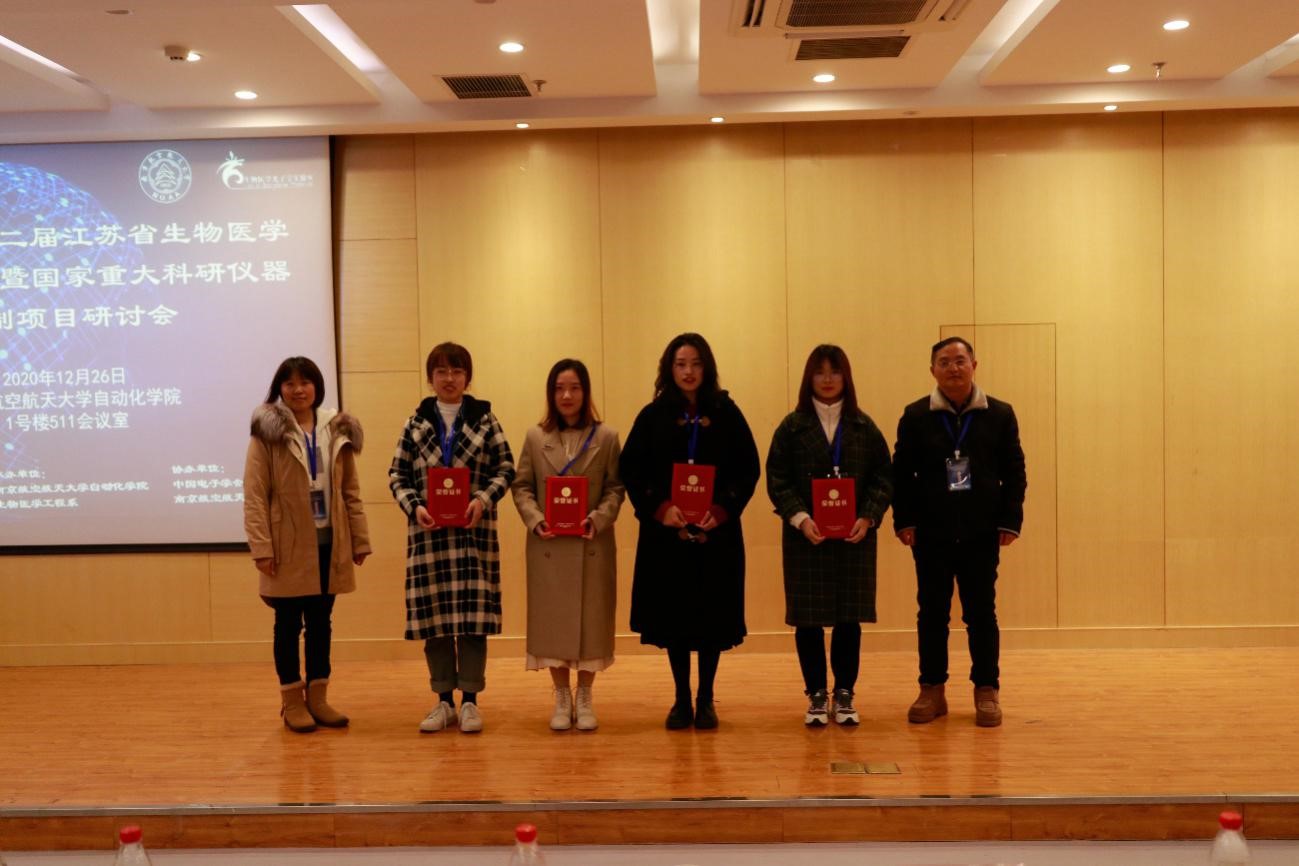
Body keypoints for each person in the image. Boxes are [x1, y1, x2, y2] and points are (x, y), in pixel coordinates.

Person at [620, 333, 760, 730]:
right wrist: (660, 508)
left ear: (707, 368)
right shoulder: (653, 415)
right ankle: (681, 698)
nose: (688, 371)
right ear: (669, 368)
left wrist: (722, 509)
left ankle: (706, 698)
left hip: (717, 535)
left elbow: (748, 468)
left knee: (712, 618)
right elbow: (632, 469)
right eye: (681, 364)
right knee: (676, 619)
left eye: (696, 364)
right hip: (668, 537)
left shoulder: (727, 412)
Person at [893, 336, 1026, 727]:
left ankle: (986, 689)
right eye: (944, 362)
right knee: (932, 613)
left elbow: (1015, 472)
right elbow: (901, 473)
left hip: (981, 531)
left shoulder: (1000, 414)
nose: (953, 368)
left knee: (981, 613)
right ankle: (931, 689)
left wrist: (1009, 520)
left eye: (960, 360)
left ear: (974, 365)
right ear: (932, 370)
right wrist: (905, 520)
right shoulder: (916, 415)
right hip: (930, 532)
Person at [389, 342, 515, 734]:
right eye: (441, 371)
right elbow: (397, 476)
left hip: (473, 538)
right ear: (431, 378)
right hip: (429, 538)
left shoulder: (485, 419)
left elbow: (506, 468)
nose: (449, 378)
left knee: (473, 624)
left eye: (457, 371)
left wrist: (482, 500)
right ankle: (443, 701)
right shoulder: (415, 423)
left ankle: (471, 702)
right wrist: (415, 507)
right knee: (436, 624)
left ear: (467, 377)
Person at [766, 345, 893, 727]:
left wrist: (868, 517)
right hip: (807, 537)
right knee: (808, 620)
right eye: (819, 372)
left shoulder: (864, 426)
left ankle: (845, 692)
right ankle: (817, 694)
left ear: (845, 377)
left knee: (848, 619)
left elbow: (884, 477)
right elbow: (777, 479)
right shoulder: (791, 427)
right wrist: (800, 518)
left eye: (834, 371)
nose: (826, 379)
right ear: (809, 377)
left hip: (854, 537)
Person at [243, 356, 371, 733]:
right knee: (286, 624)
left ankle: (319, 698)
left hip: (330, 543)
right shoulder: (267, 431)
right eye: (290, 383)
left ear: (317, 387)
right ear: (280, 389)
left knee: (320, 624)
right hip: (286, 544)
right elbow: (255, 495)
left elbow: (350, 490)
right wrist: (262, 548)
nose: (298, 390)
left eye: (306, 382)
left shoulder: (337, 428)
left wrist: (360, 539)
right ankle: (292, 702)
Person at [510, 359, 626, 732]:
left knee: (592, 621)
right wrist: (535, 518)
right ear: (551, 393)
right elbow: (521, 486)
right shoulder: (534, 437)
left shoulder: (607, 437)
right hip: (549, 544)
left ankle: (585, 696)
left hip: (592, 543)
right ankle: (561, 695)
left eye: (574, 387)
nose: (567, 395)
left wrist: (599, 518)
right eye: (560, 388)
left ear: (585, 392)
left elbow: (616, 488)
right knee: (553, 621)